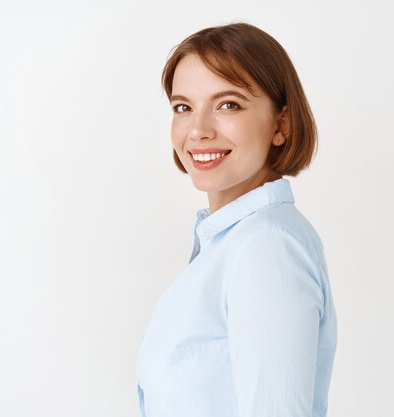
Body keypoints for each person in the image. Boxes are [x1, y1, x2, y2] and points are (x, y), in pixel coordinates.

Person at [136, 22, 338, 417]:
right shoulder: (234, 242)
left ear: (281, 124)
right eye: (183, 107)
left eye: (228, 104)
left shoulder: (267, 248)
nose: (198, 130)